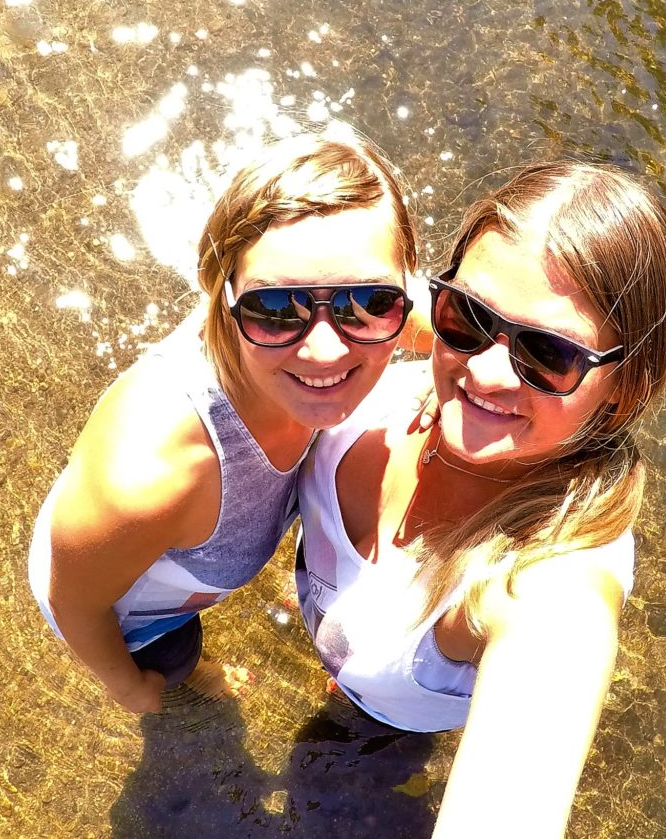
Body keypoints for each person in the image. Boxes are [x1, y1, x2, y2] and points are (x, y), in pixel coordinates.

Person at [291, 159, 666, 839]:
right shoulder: (390, 342)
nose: (485, 369)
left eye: (548, 357)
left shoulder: (548, 590)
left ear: (623, 391)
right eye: (467, 318)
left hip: (387, 722)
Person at [30, 133, 421, 713]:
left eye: (365, 301)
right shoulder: (148, 478)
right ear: (221, 293)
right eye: (274, 309)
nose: (322, 352)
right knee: (177, 663)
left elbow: (450, 334)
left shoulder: (333, 327)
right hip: (141, 617)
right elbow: (75, 603)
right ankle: (196, 676)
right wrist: (129, 685)